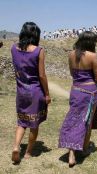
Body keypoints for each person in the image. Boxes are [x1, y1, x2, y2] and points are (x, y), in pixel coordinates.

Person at [59, 31, 97, 167]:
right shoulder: (93, 56)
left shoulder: (71, 54)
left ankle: (71, 153)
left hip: (76, 90)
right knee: (86, 121)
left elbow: (73, 74)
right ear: (90, 43)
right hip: (90, 93)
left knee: (73, 119)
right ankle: (83, 149)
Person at [11, 22, 51, 164]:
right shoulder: (38, 50)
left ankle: (16, 147)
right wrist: (47, 93)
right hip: (35, 92)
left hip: (21, 92)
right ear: (36, 35)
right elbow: (42, 75)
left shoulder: (13, 48)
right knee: (34, 124)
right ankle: (27, 152)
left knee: (21, 122)